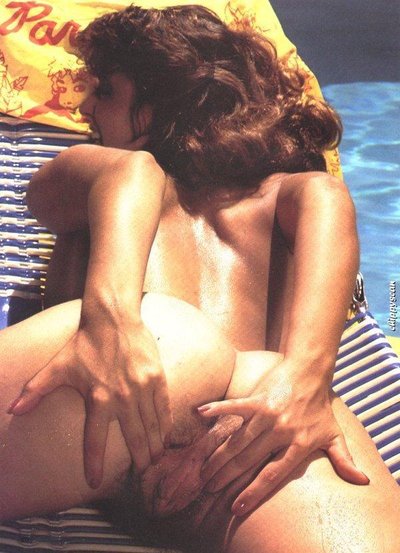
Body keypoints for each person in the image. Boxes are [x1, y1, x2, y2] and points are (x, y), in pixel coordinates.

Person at [2, 4, 399, 552]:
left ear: (157, 103)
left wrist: (302, 385)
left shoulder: (295, 194)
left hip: (218, 438)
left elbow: (327, 201)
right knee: (194, 344)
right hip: (154, 423)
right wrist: (112, 321)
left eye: (106, 91)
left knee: (240, 365)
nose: (85, 108)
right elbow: (127, 174)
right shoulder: (100, 174)